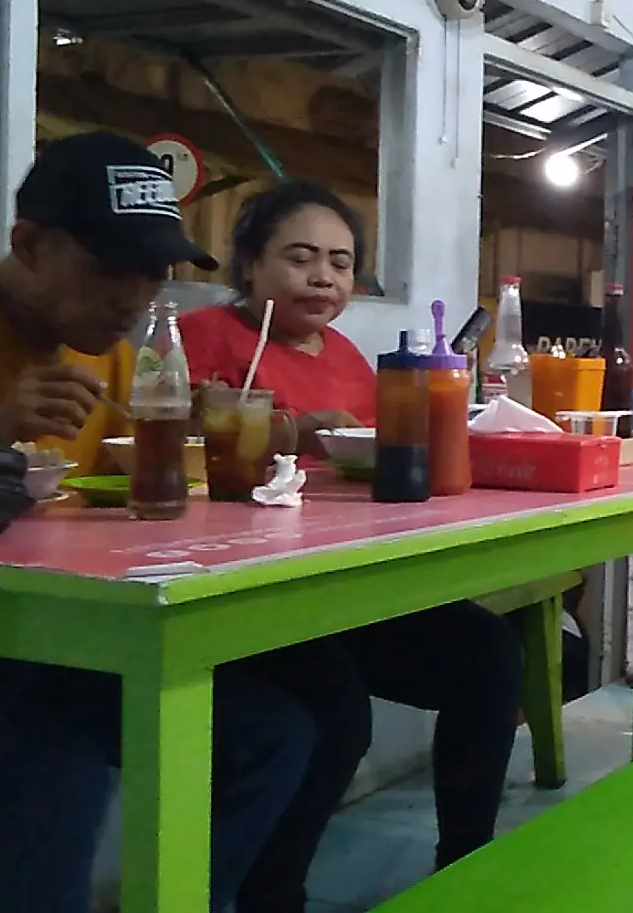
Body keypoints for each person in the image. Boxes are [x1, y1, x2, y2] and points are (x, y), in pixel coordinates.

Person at [0, 132, 315, 913]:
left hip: (25, 643)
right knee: (56, 773)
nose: (133, 297)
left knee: (272, 732)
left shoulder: (117, 357)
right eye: (110, 267)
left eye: (153, 273)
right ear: (28, 243)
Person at [176, 181, 523, 913]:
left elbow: (372, 458)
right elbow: (187, 441)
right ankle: (270, 897)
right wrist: (293, 433)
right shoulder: (205, 337)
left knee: (486, 654)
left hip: (338, 583)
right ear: (248, 266)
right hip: (245, 591)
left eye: (339, 263)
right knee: (336, 712)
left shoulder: (345, 354)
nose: (323, 277)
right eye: (299, 258)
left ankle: (465, 868)